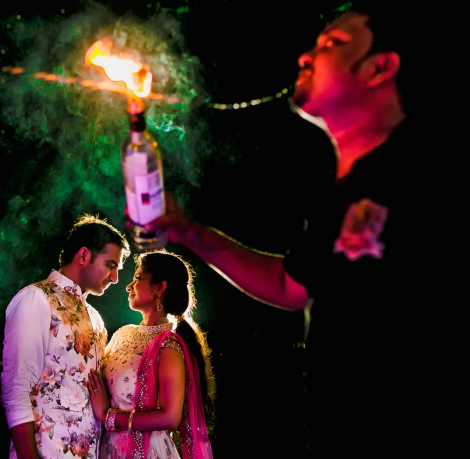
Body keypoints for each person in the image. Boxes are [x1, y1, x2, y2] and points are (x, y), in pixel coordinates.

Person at [146, 3, 433, 454]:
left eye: (333, 44)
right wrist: (188, 232)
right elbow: (292, 284)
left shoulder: (422, 170)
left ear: (380, 67)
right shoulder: (340, 194)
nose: (306, 56)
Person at [1, 215, 131, 459]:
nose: (115, 278)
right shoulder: (36, 299)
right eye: (110, 265)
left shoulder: (95, 318)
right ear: (83, 256)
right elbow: (15, 391)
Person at [86, 251, 215, 459]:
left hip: (148, 452)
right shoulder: (121, 333)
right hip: (109, 449)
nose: (128, 286)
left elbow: (169, 417)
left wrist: (109, 416)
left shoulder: (169, 345)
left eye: (137, 278)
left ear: (159, 288)